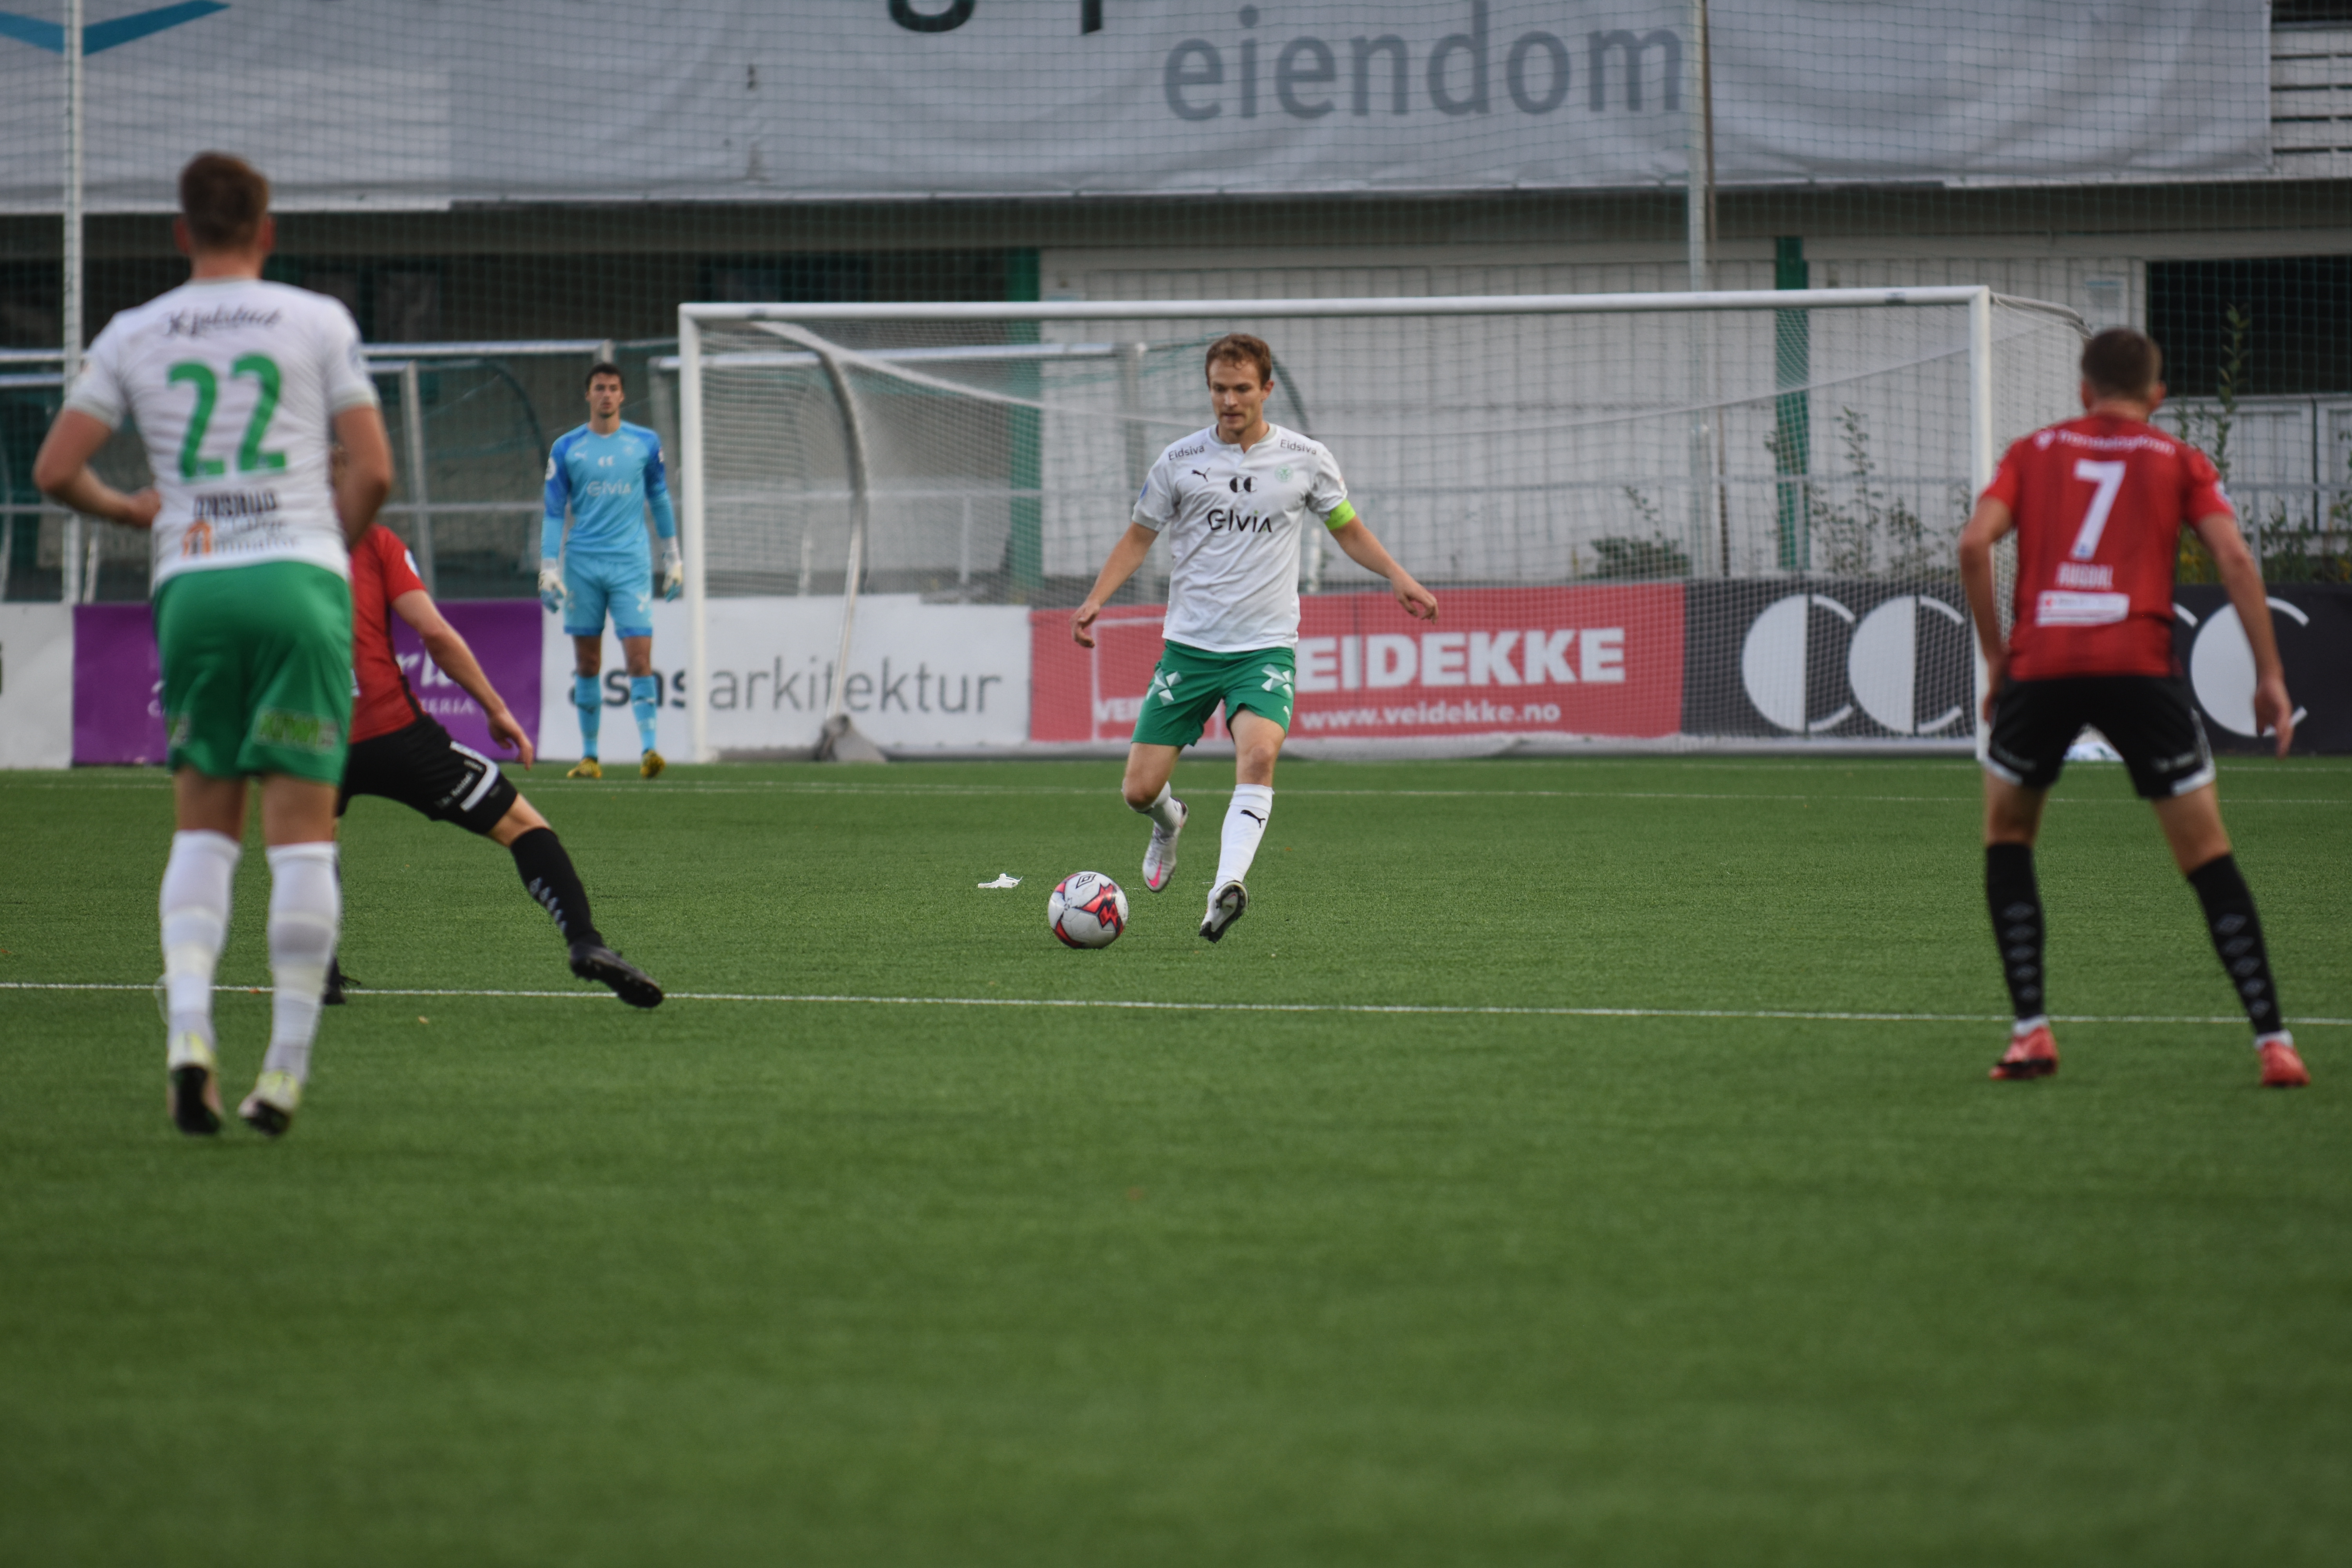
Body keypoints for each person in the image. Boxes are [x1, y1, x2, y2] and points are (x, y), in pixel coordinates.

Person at [33, 152, 390, 1138]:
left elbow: (56, 469)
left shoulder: (134, 332)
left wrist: (132, 508)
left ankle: (189, 1035)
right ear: (267, 229)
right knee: (303, 837)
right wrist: (322, 548)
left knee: (203, 829)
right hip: (299, 578)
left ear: (181, 233)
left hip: (192, 581)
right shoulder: (316, 319)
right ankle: (281, 1070)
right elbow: (377, 468)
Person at [1956, 326, 2308, 1088]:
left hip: (2043, 666)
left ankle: (2030, 1032)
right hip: (2138, 668)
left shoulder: (2032, 451)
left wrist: (1997, 658)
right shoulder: (2178, 459)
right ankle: (2274, 1042)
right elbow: (2236, 558)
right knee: (2207, 854)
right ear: (2158, 396)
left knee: (2009, 836)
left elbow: (1975, 545)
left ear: (2082, 391)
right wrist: (2270, 673)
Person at [1071, 332, 1438, 942]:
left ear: (1267, 389)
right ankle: (1169, 823)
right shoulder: (1179, 461)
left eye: (1242, 389)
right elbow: (1139, 537)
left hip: (1263, 648)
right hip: (1190, 648)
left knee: (1261, 754)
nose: (1230, 401)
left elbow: (1347, 529)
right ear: (1209, 389)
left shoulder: (1306, 458)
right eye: (1219, 389)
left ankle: (1226, 886)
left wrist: (1397, 576)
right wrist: (1095, 599)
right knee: (1139, 791)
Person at [332, 521, 663, 1007]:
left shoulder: (265, 544)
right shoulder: (375, 541)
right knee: (523, 826)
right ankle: (584, 941)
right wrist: (495, 707)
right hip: (394, 731)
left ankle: (317, 972)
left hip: (308, 736)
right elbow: (434, 634)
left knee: (310, 849)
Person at [541, 361, 680, 779]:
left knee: (639, 658)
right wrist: (549, 567)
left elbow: (659, 499)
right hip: (583, 564)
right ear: (588, 395)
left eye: (613, 388)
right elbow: (552, 512)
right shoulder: (567, 448)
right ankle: (590, 756)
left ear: (623, 396)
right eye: (599, 388)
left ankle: (650, 750)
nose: (606, 394)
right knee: (588, 663)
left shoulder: (643, 442)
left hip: (630, 565)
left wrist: (674, 557)